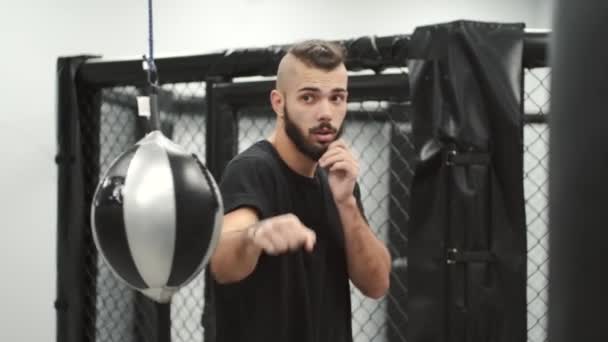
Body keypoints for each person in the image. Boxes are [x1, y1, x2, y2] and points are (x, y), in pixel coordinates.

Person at [208, 39, 391, 342]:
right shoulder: (253, 169)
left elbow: (377, 284)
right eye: (309, 98)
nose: (326, 113)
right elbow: (222, 262)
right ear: (279, 103)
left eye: (337, 98)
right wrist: (254, 237)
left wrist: (346, 203)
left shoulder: (338, 178)